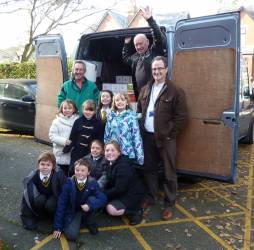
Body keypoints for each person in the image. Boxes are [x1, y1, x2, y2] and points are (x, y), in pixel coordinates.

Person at [137, 56, 187, 220]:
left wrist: (169, 135)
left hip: (166, 139)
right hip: (147, 137)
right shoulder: (145, 89)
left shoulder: (176, 91)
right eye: (154, 69)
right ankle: (151, 197)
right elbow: (139, 110)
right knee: (149, 170)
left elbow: (181, 117)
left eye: (160, 68)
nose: (156, 72)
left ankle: (169, 203)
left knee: (168, 172)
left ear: (166, 69)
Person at [53, 158, 107, 241]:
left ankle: (89, 221)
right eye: (77, 170)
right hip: (73, 211)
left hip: (87, 209)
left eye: (83, 170)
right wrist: (58, 226)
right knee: (71, 235)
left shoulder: (92, 182)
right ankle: (81, 221)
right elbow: (61, 204)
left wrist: (90, 205)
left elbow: (103, 198)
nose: (79, 173)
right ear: (74, 170)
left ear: (88, 172)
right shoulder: (68, 183)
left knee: (92, 199)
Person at [122, 6, 166, 99]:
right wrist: (126, 43)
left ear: (147, 42)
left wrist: (150, 20)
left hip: (155, 92)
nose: (138, 47)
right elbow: (125, 58)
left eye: (140, 43)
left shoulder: (154, 51)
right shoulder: (135, 58)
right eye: (136, 45)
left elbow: (158, 36)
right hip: (141, 94)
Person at [20, 151, 66, 230]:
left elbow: (65, 191)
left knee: (50, 205)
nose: (45, 167)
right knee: (39, 201)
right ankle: (42, 216)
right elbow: (26, 198)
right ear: (38, 165)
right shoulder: (33, 176)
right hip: (42, 195)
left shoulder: (58, 174)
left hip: (54, 196)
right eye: (42, 164)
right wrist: (27, 220)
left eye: (48, 165)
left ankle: (52, 218)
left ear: (53, 166)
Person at [103, 141, 145, 225]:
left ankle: (135, 211)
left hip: (132, 194)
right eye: (107, 150)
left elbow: (119, 189)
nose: (109, 153)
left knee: (110, 209)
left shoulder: (123, 166)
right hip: (122, 191)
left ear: (119, 152)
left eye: (113, 150)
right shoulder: (111, 163)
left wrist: (103, 194)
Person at [63, 100, 102, 176]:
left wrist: (98, 151)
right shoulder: (78, 121)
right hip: (77, 151)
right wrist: (66, 149)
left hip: (89, 153)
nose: (88, 112)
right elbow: (72, 136)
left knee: (87, 172)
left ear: (94, 111)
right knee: (72, 171)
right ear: (82, 109)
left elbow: (99, 139)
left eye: (91, 110)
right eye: (86, 110)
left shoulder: (99, 123)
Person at [104, 92, 144, 165]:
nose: (120, 102)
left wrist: (140, 156)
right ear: (114, 103)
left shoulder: (132, 117)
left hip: (127, 153)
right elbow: (107, 136)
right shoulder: (110, 117)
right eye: (117, 100)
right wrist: (107, 152)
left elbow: (136, 137)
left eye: (122, 100)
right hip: (113, 153)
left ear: (127, 102)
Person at [49, 99, 79, 176]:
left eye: (70, 108)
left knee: (73, 176)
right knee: (61, 176)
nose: (67, 110)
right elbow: (52, 136)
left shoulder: (78, 121)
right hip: (61, 153)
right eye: (65, 108)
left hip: (74, 154)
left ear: (74, 109)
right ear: (61, 109)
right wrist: (64, 141)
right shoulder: (57, 121)